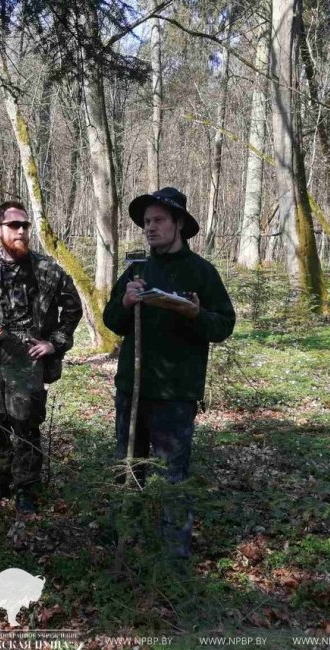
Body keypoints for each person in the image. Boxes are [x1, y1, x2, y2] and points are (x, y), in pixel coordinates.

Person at [102, 187, 235, 558]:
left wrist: (195, 314)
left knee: (171, 477)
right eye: (146, 221)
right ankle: (125, 543)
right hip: (133, 389)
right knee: (128, 470)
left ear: (179, 223)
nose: (150, 227)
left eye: (159, 220)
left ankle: (173, 558)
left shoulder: (201, 273)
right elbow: (112, 320)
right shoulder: (137, 270)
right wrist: (126, 302)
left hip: (175, 396)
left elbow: (223, 325)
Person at [0, 201, 83, 514]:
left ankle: (26, 490)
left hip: (27, 361)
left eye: (25, 225)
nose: (21, 231)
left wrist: (54, 343)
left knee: (26, 429)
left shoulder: (47, 270)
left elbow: (73, 309)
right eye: (14, 225)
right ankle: (0, 484)